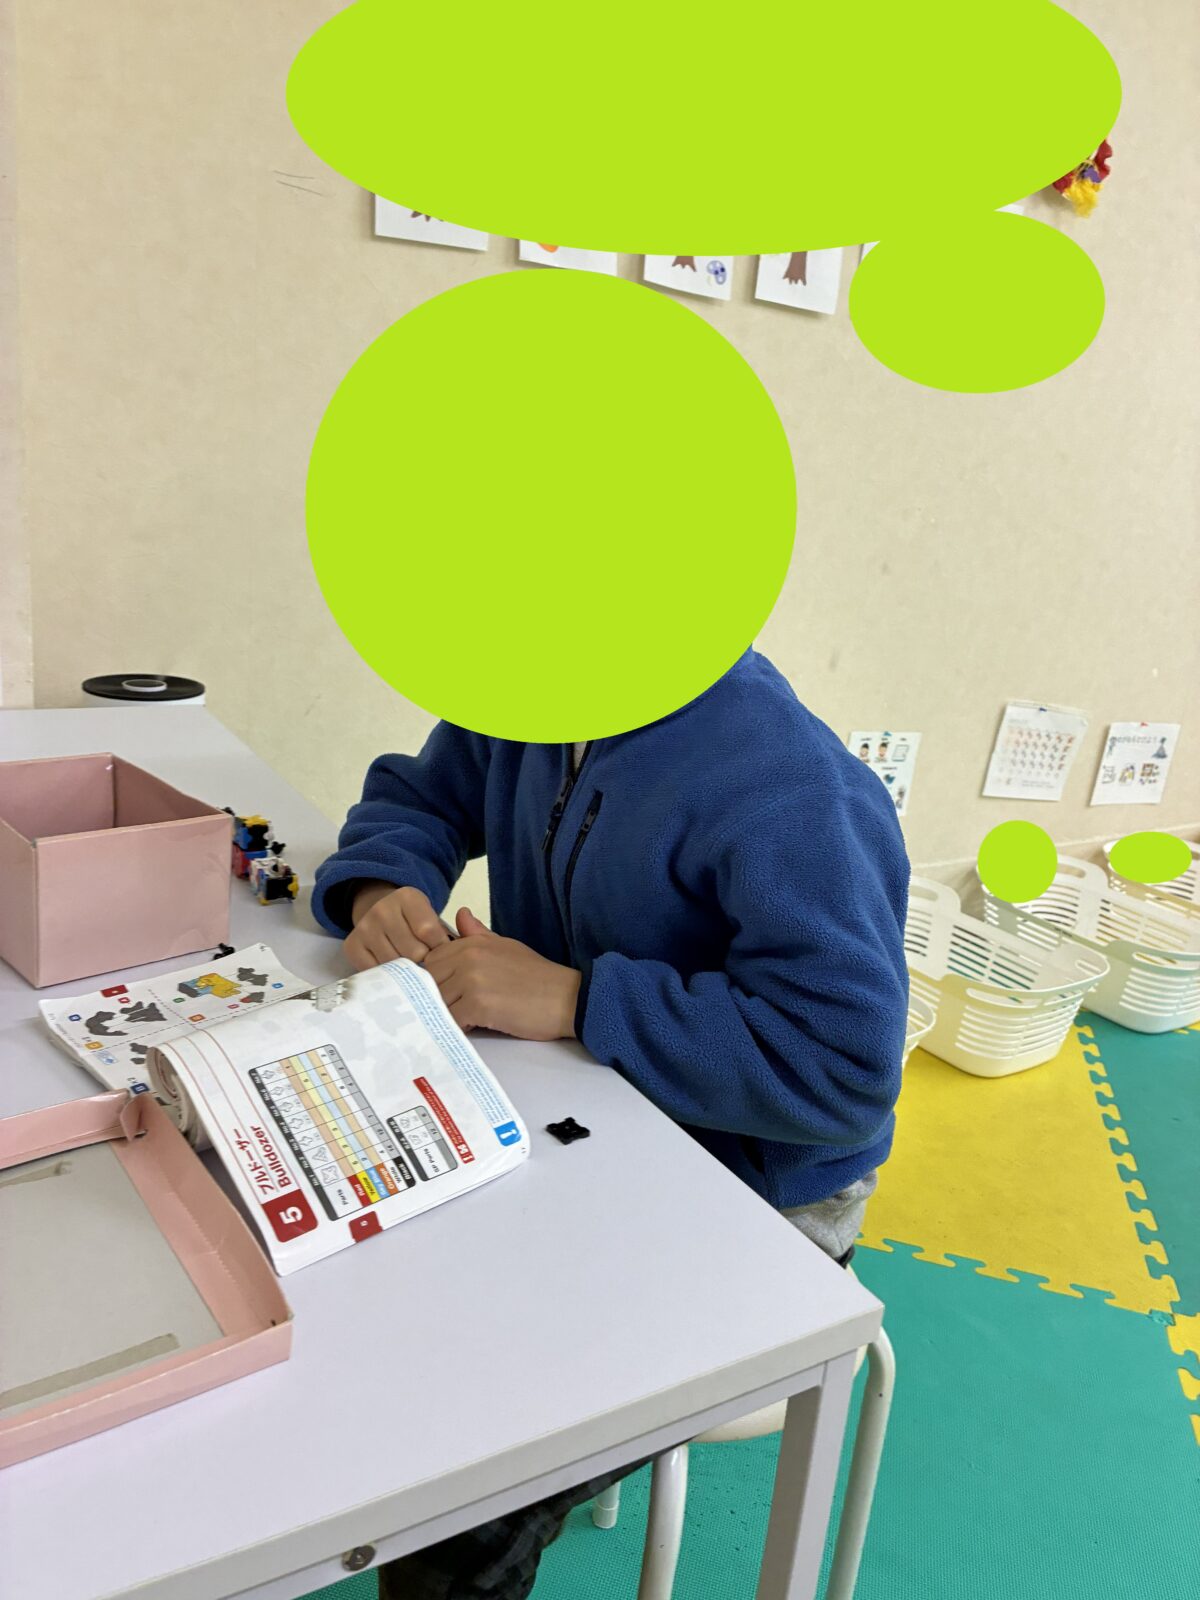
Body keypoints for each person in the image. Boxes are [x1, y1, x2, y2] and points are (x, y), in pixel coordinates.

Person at [311, 646, 910, 1600]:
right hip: (588, 1117)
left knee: (461, 1489)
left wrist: (577, 1000)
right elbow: (419, 798)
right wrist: (382, 888)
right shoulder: (527, 688)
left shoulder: (791, 785)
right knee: (369, 1285)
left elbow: (842, 1065)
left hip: (760, 1204)